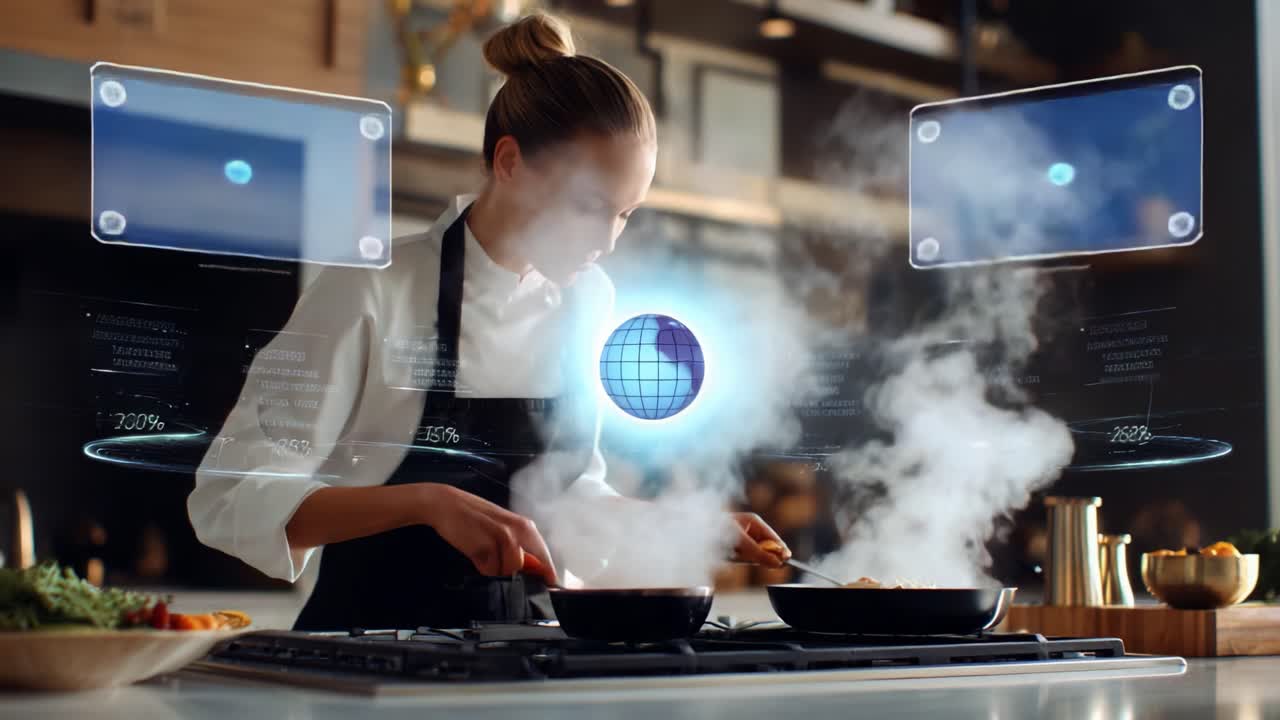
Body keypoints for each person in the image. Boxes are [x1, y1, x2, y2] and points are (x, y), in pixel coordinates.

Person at [188, 12, 790, 631]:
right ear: (508, 162)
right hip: (368, 652)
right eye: (589, 206)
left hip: (524, 650)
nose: (606, 242)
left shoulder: (591, 302)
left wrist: (681, 522)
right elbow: (231, 496)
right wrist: (425, 503)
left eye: (625, 214)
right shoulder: (371, 290)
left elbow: (572, 497)